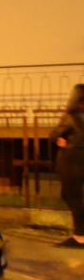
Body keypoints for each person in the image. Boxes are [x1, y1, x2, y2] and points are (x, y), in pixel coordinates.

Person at [50, 84, 84, 248]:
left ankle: (80, 236)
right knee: (76, 198)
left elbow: (53, 134)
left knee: (71, 197)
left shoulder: (71, 117)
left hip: (72, 163)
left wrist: (60, 141)